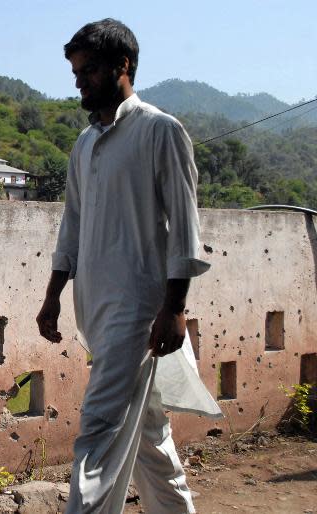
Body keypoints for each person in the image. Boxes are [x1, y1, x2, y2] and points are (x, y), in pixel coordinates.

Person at [36, 19, 223, 514]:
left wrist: (174, 308)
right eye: (75, 73)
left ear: (123, 65)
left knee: (97, 432)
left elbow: (185, 228)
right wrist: (53, 293)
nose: (79, 82)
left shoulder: (161, 131)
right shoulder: (84, 145)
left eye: (89, 70)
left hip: (137, 311)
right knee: (148, 439)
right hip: (94, 309)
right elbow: (71, 225)